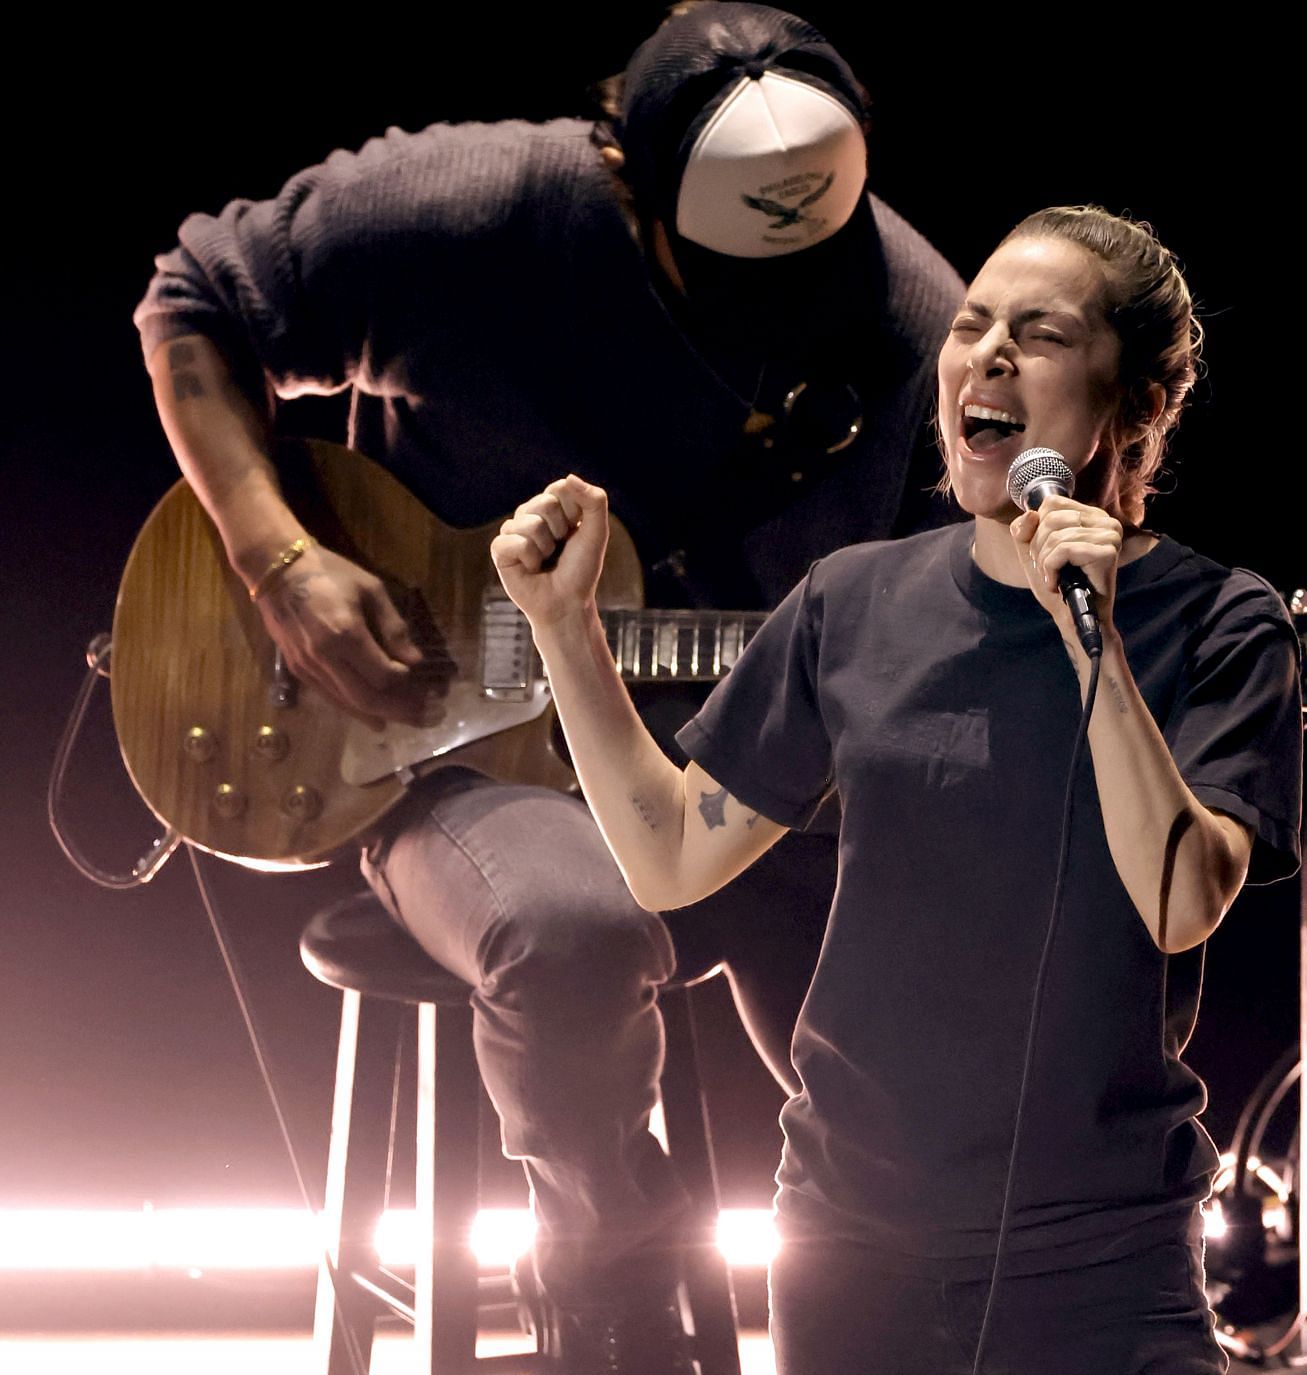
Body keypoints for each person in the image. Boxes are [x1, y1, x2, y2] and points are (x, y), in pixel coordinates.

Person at [132, 6, 964, 1372]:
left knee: (932, 1008)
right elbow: (194, 300)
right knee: (572, 930)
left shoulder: (916, 321)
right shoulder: (484, 213)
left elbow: (953, 617)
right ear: (628, 192)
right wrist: (280, 561)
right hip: (455, 750)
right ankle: (609, 1270)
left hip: (744, 779)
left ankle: (895, 1306)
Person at [493, 206, 1304, 1375]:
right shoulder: (851, 602)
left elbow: (1183, 899)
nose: (988, 353)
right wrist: (562, 631)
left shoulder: (1224, 622)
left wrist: (1093, 644)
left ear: (1135, 403)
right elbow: (669, 855)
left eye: (1043, 334)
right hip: (848, 1241)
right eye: (972, 324)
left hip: (1098, 1262)